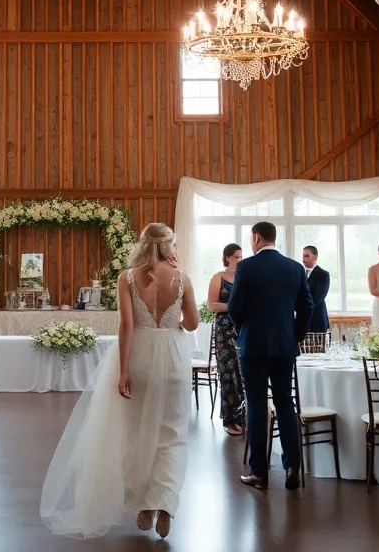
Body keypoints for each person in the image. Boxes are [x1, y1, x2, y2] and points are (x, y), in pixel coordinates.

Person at [41, 222, 197, 540]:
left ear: (143, 244)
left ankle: (144, 505)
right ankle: (165, 502)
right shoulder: (183, 278)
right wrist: (172, 319)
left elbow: (126, 325)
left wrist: (123, 370)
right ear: (169, 246)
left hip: (139, 356)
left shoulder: (127, 278)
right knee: (172, 434)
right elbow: (193, 324)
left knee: (137, 432)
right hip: (173, 358)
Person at [229, 222, 312, 491]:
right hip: (284, 346)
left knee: (256, 405)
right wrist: (295, 335)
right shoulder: (295, 268)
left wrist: (243, 328)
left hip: (253, 345)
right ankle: (292, 466)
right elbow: (307, 306)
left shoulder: (246, 267)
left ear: (256, 238)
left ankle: (260, 474)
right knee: (285, 403)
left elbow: (234, 308)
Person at [206, 243, 245, 436]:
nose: (239, 260)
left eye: (241, 257)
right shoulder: (218, 278)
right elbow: (211, 305)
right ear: (228, 258)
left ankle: (244, 417)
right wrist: (233, 306)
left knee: (243, 373)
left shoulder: (244, 277)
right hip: (224, 330)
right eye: (236, 257)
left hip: (243, 329)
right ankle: (230, 420)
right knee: (229, 373)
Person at [303, 245, 331, 334]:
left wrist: (300, 308)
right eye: (303, 256)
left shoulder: (323, 274)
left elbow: (317, 298)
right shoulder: (301, 274)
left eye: (307, 256)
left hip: (317, 319)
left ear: (315, 257)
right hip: (302, 321)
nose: (303, 259)